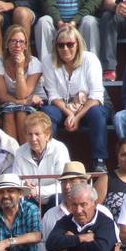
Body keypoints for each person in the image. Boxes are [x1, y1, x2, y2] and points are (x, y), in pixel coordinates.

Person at [41, 27, 108, 172]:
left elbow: (96, 96)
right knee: (47, 112)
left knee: (97, 113)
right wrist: (70, 114)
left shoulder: (90, 59)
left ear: (78, 44)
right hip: (63, 108)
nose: (65, 48)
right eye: (61, 45)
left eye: (70, 44)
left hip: (89, 106)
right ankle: (49, 159)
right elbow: (53, 96)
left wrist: (76, 117)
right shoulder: (48, 60)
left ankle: (99, 161)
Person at [0, 23, 45, 144]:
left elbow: (22, 94)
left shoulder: (34, 63)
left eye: (21, 42)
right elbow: (2, 96)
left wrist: (19, 68)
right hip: (14, 103)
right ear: (7, 44)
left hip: (36, 104)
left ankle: (25, 154)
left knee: (20, 112)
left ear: (26, 46)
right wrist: (22, 102)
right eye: (13, 41)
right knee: (9, 112)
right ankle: (12, 156)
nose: (17, 45)